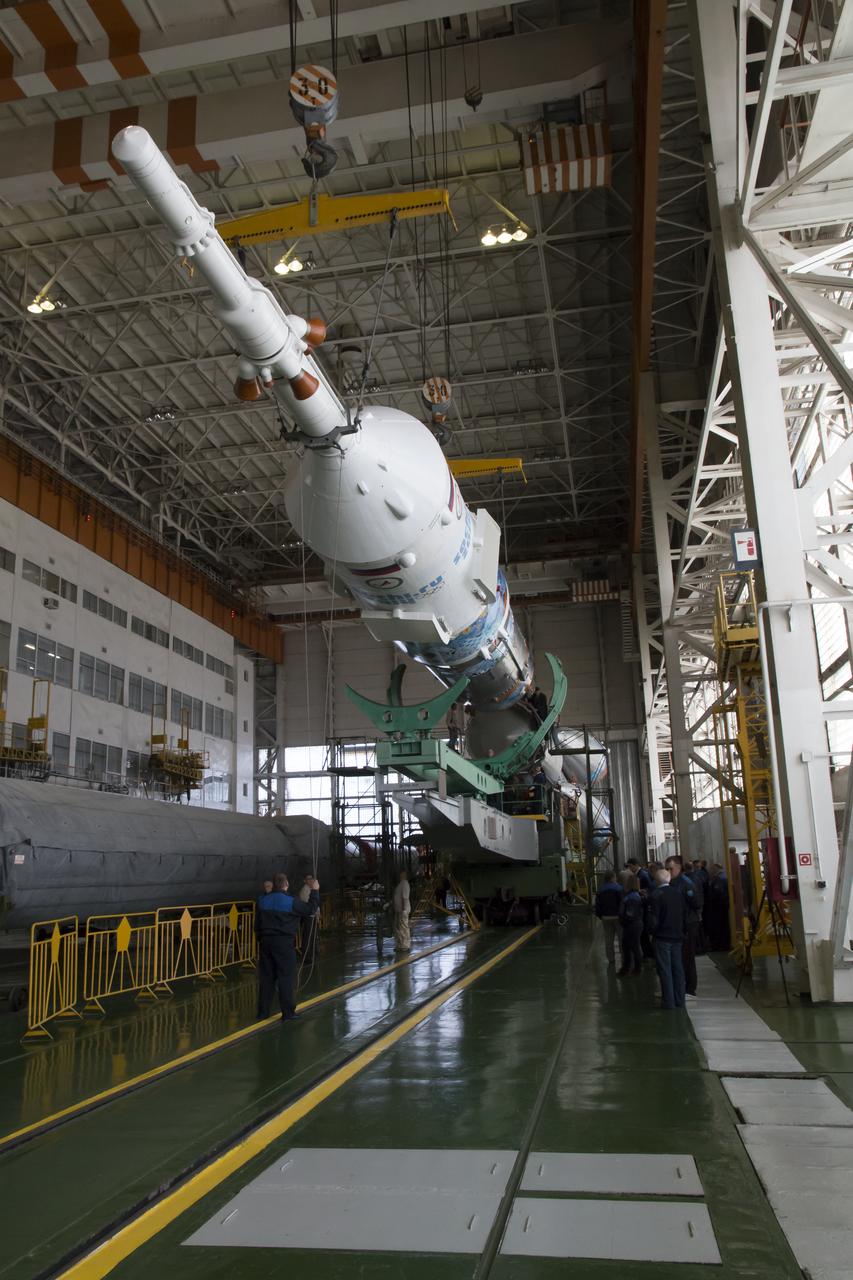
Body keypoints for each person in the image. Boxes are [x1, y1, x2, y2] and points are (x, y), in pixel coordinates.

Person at [256, 871, 319, 1022]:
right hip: (284, 944)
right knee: (285, 977)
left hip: (266, 943)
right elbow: (310, 909)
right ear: (286, 884)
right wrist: (315, 891)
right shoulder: (290, 901)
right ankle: (288, 1012)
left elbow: (257, 924)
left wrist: (261, 939)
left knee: (267, 979)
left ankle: (263, 1013)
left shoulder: (263, 901)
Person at [647, 867, 687, 1009]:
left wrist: (652, 932)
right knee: (678, 969)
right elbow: (684, 914)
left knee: (665, 970)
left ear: (656, 880)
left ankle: (668, 1002)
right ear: (669, 879)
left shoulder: (656, 895)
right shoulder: (678, 893)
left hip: (662, 937)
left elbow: (653, 919)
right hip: (677, 936)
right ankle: (680, 1000)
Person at [665, 855, 703, 997]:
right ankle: (681, 986)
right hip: (678, 925)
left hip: (688, 924)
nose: (668, 871)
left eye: (671, 868)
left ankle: (690, 987)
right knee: (679, 958)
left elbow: (696, 903)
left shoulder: (686, 884)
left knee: (687, 958)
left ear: (679, 868)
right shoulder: (672, 883)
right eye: (666, 869)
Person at [594, 869, 623, 966]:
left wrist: (600, 915)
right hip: (618, 917)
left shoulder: (600, 890)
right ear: (613, 877)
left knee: (608, 939)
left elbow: (597, 905)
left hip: (606, 917)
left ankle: (611, 959)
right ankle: (623, 957)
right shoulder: (619, 888)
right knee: (621, 938)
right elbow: (622, 903)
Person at [618, 875, 644, 975]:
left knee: (632, 947)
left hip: (631, 925)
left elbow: (630, 914)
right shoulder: (635, 895)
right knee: (630, 947)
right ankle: (631, 967)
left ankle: (633, 968)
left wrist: (623, 920)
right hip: (634, 924)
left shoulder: (631, 897)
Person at [707, 863, 731, 952]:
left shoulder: (718, 879)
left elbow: (718, 893)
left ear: (715, 869)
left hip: (719, 907)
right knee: (724, 926)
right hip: (724, 906)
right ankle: (724, 944)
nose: (710, 871)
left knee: (719, 926)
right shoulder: (725, 876)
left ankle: (720, 945)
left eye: (711, 869)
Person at [297, 873, 318, 960]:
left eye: (311, 879)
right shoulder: (305, 890)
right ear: (305, 881)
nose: (310, 880)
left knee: (313, 935)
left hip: (312, 915)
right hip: (308, 916)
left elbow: (315, 903)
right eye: (308, 879)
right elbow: (309, 905)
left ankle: (313, 952)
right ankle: (306, 955)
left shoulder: (311, 889)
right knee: (308, 936)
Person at [393, 869, 411, 952]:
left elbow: (405, 897)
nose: (400, 875)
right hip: (399, 910)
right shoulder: (400, 884)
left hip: (403, 910)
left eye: (402, 874)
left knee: (404, 928)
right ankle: (400, 945)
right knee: (400, 929)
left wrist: (404, 909)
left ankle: (405, 946)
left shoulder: (404, 884)